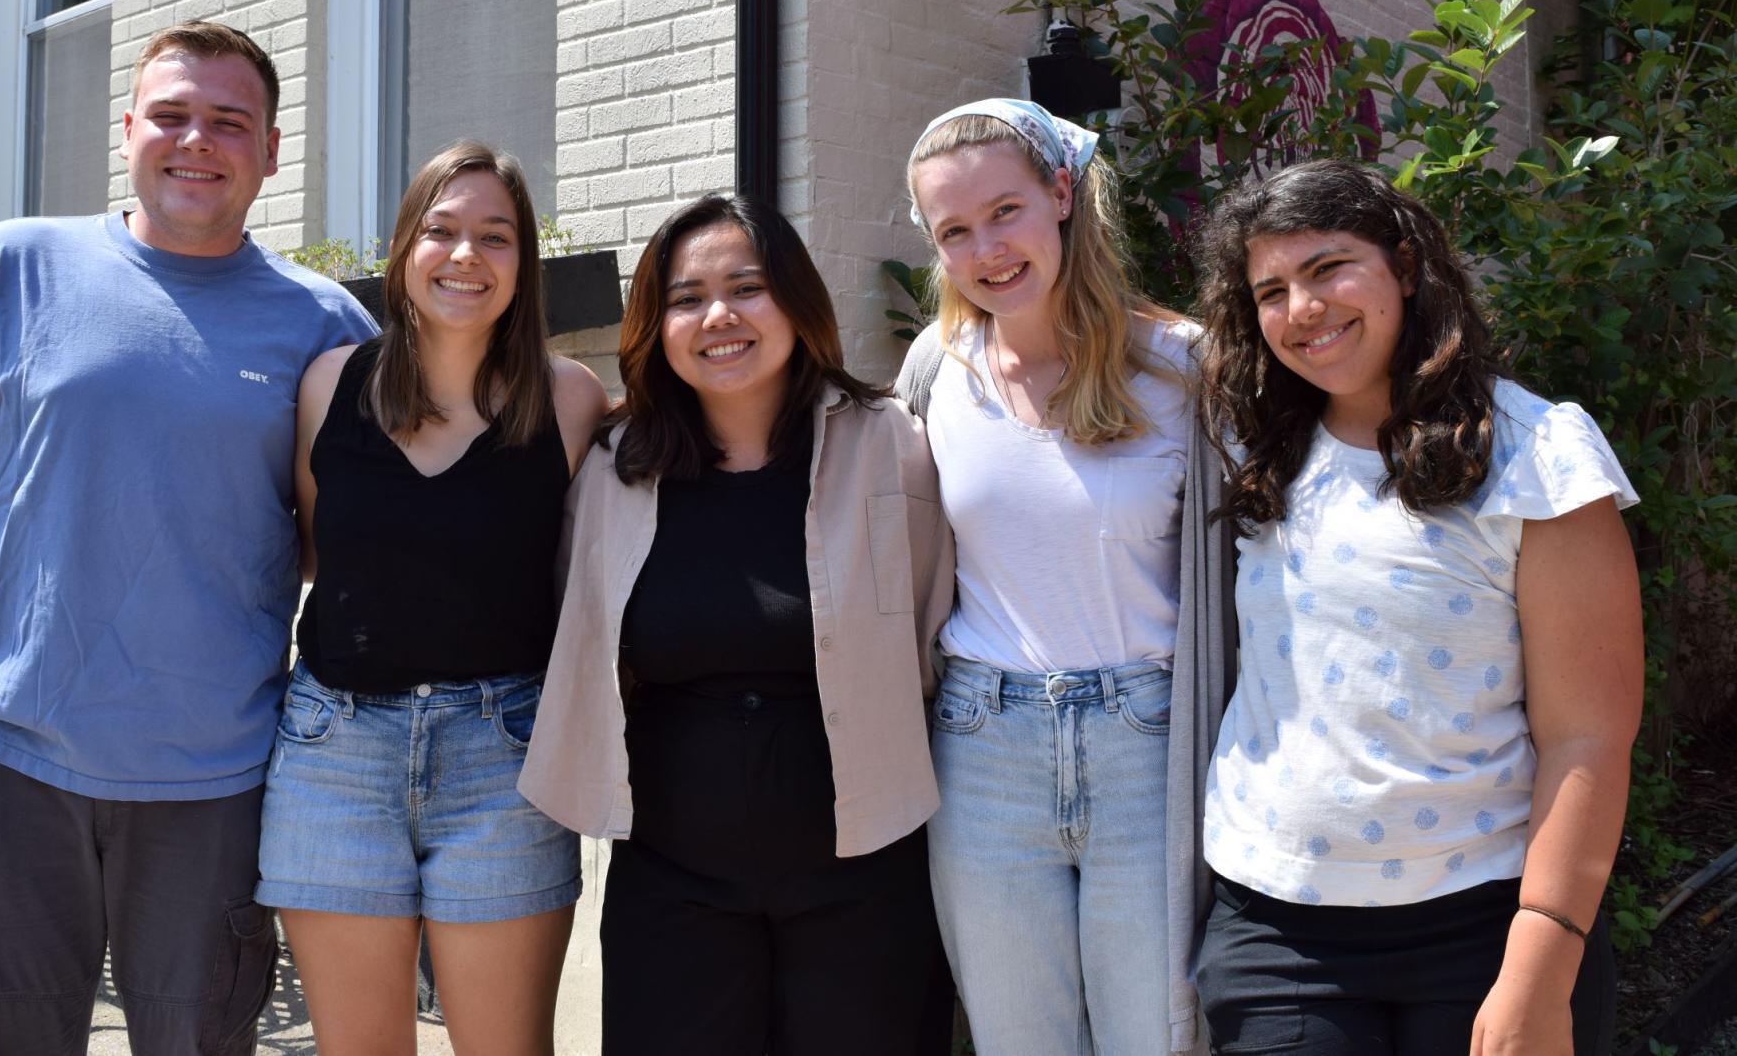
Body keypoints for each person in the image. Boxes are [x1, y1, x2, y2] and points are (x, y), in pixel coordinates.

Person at [0, 20, 379, 1054]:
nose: (198, 141)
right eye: (173, 115)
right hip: (8, 754)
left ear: (271, 151)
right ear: (128, 129)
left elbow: (351, 547)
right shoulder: (8, 269)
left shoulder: (327, 330)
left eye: (229, 122)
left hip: (215, 777)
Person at [1190, 159, 1640, 1055]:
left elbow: (1588, 736)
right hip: (1279, 930)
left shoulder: (1536, 453)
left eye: (1327, 268)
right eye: (1270, 289)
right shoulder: (1260, 445)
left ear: (1404, 264)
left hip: (1481, 926)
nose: (1302, 308)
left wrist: (1539, 973)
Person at [519, 194, 953, 1056]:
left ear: (795, 300)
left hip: (862, 870)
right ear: (656, 322)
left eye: (746, 287)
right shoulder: (614, 467)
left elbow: (933, 628)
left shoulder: (889, 444)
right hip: (673, 876)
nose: (718, 315)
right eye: (686, 297)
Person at [254, 141, 608, 1055]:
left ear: (522, 265)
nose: (465, 256)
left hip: (504, 758)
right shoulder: (331, 384)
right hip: (335, 752)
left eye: (495, 237)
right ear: (405, 245)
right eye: (442, 231)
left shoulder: (569, 400)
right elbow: (315, 552)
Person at [896, 97, 1234, 1055]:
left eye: (1005, 211)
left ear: (1060, 194)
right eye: (954, 230)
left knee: (1158, 1035)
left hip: (1149, 746)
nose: (987, 249)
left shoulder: (1182, 367)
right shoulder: (936, 369)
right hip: (983, 743)